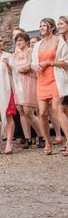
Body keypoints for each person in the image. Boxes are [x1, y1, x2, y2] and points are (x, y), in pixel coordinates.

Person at [31, 17, 68, 155]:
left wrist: (50, 63)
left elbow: (66, 62)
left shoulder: (59, 41)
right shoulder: (37, 45)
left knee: (57, 109)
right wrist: (35, 65)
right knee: (41, 113)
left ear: (52, 28)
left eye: (44, 25)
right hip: (41, 80)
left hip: (55, 78)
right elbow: (33, 62)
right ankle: (47, 141)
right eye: (40, 26)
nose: (41, 28)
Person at [10, 32, 45, 149]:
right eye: (17, 41)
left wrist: (16, 68)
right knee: (21, 111)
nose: (19, 43)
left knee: (29, 111)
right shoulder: (15, 54)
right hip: (18, 82)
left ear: (26, 41)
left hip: (29, 81)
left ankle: (42, 136)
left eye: (21, 40)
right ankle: (27, 138)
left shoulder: (31, 51)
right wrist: (15, 69)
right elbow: (11, 69)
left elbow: (27, 66)